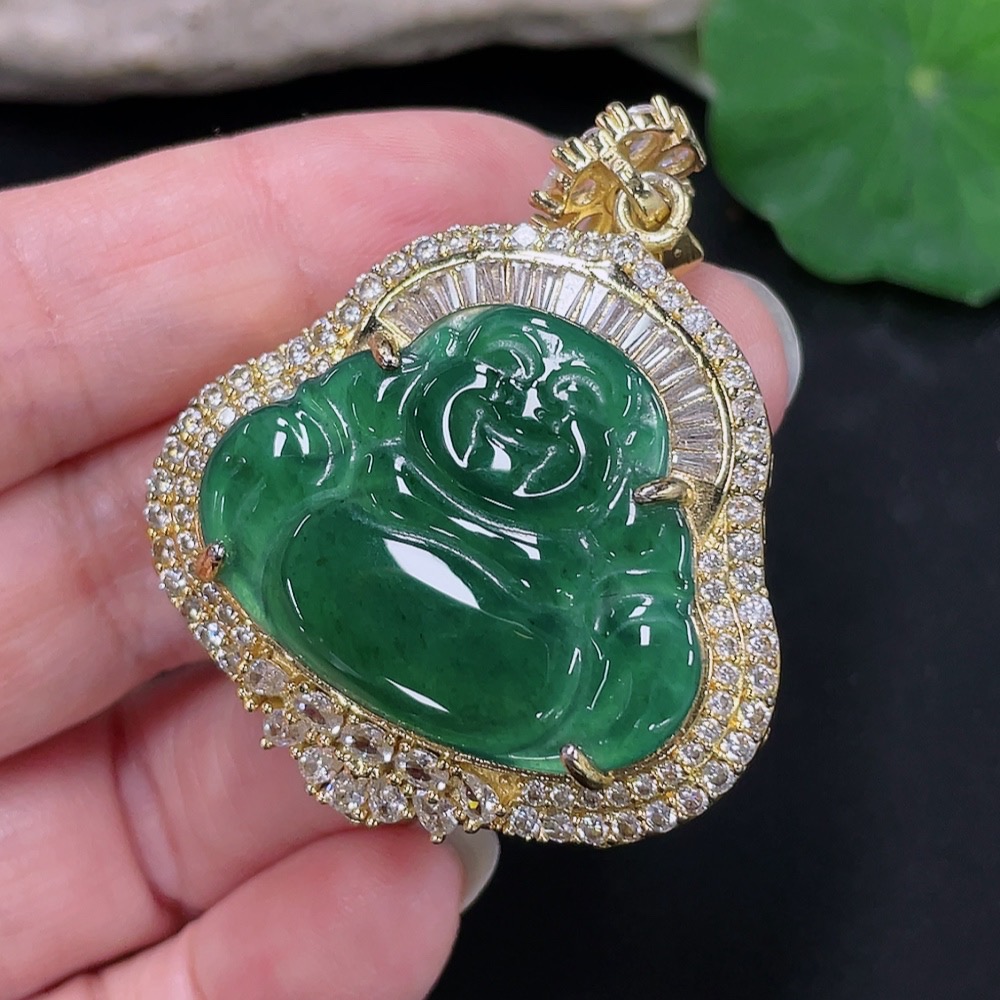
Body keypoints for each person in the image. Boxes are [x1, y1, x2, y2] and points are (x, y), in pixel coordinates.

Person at [0, 110, 797, 1000]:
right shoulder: (382, 410)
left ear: (630, 464)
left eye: (573, 402)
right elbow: (302, 434)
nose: (526, 408)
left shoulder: (627, 522)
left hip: (526, 647)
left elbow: (652, 615)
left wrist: (634, 664)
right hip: (343, 551)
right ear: (423, 369)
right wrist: (283, 457)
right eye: (500, 370)